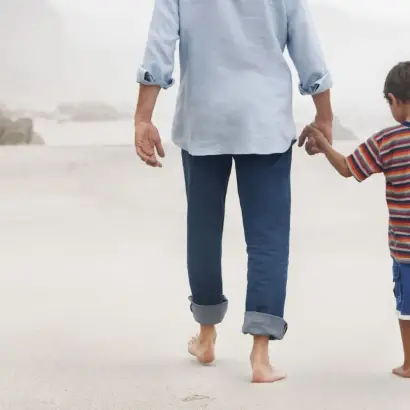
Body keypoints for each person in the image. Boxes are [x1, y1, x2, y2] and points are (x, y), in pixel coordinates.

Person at [134, 0, 333, 383]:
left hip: (203, 121)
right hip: (265, 122)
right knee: (268, 239)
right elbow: (306, 45)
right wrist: (323, 113)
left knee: (204, 231)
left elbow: (159, 48)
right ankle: (260, 355)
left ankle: (206, 335)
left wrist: (143, 116)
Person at [301, 61, 410, 378]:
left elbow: (349, 168)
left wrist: (322, 145)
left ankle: (409, 363)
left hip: (405, 248)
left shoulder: (387, 140)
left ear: (393, 99)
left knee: (408, 309)